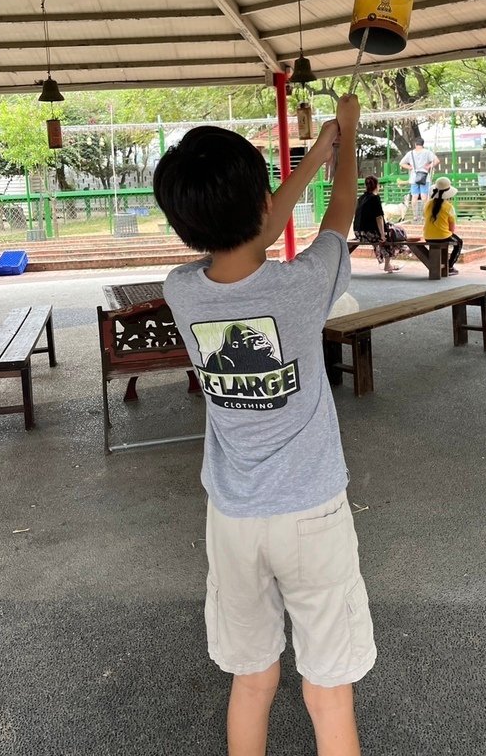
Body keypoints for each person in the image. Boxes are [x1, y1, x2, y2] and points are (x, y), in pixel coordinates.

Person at [153, 95, 375, 756]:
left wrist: (321, 149)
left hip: (234, 519)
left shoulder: (181, 289)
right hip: (312, 515)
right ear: (260, 204)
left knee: (251, 682)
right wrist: (347, 141)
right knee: (328, 688)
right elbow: (339, 214)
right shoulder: (304, 286)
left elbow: (251, 226)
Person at [353, 175, 408, 273]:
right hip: (368, 233)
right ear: (377, 185)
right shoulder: (375, 198)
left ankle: (388, 264)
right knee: (389, 235)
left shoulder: (361, 198)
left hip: (358, 232)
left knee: (386, 234)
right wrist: (382, 235)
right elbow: (379, 218)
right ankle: (388, 265)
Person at [422, 176, 463, 276]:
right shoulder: (449, 207)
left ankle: (443, 266)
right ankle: (450, 266)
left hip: (427, 236)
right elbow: (452, 229)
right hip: (443, 236)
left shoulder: (427, 204)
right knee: (459, 242)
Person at [399, 137, 439, 221]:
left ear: (415, 144)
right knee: (425, 197)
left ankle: (415, 216)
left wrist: (410, 167)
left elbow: (401, 163)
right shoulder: (427, 152)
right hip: (424, 177)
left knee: (414, 196)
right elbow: (437, 161)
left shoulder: (410, 153)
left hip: (414, 177)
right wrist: (428, 166)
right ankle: (425, 215)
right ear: (422, 144)